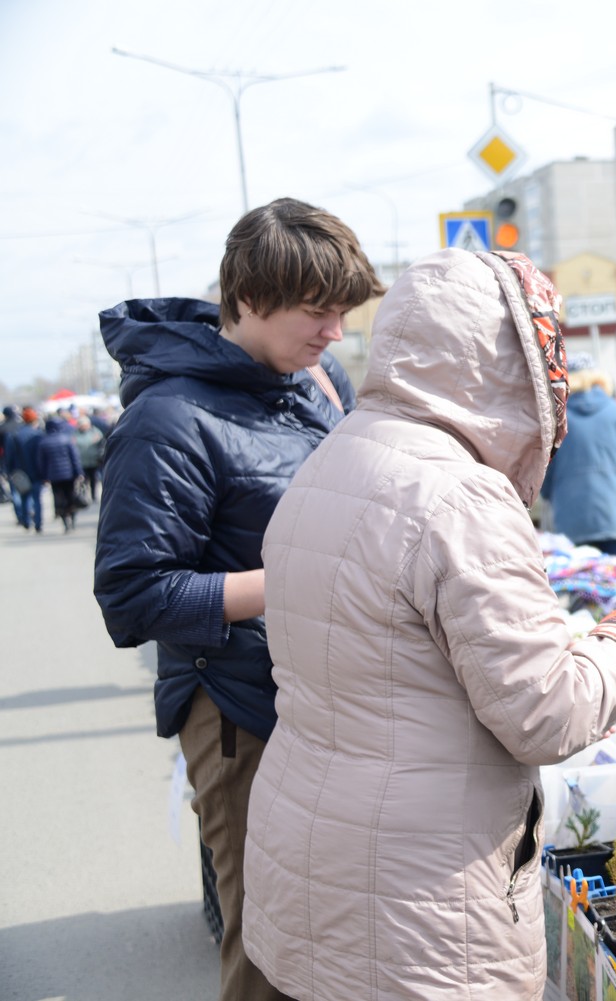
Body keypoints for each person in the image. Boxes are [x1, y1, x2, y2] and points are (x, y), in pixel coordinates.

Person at [241, 248, 616, 1001]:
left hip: (309, 862)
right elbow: (546, 711)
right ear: (509, 361)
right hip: (421, 904)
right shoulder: (460, 496)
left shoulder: (328, 463)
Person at [92, 197, 382, 1001]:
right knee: (271, 944)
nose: (334, 332)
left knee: (336, 930)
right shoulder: (169, 419)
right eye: (316, 313)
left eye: (342, 314)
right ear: (248, 299)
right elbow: (133, 593)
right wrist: (300, 578)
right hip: (238, 711)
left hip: (322, 695)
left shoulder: (317, 381)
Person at [539, 352, 616, 558]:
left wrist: (551, 495)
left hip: (571, 515)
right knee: (614, 581)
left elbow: (545, 468)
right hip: (614, 513)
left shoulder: (558, 420)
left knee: (581, 583)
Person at [36, 415, 83, 531]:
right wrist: (79, 472)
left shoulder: (44, 442)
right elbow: (75, 458)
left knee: (59, 498)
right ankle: (72, 518)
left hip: (54, 476)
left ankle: (65, 521)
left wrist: (44, 476)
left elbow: (41, 462)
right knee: (71, 496)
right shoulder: (67, 439)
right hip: (69, 475)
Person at [4, 407, 45, 532]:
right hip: (37, 471)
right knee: (37, 498)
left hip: (20, 471)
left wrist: (9, 471)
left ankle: (26, 521)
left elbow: (9, 455)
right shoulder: (38, 434)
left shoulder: (15, 435)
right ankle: (38, 523)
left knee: (24, 497)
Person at [74, 415, 106, 503]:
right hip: (82, 461)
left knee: (94, 479)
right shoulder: (75, 434)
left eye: (85, 424)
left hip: (94, 461)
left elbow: (102, 444)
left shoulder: (95, 432)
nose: (84, 426)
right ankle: (85, 495)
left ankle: (93, 495)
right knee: (84, 480)